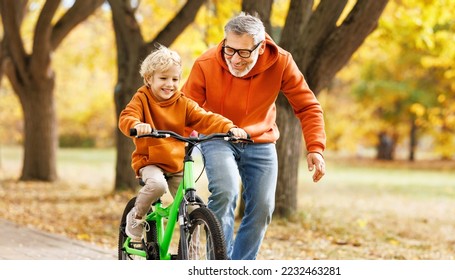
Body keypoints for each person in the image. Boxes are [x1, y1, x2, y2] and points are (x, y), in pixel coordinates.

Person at [181, 12, 326, 260]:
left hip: (260, 139)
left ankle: (241, 267)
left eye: (244, 52)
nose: (235, 59)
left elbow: (307, 106)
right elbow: (184, 110)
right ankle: (219, 266)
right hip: (217, 136)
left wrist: (315, 147)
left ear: (261, 47)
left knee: (262, 208)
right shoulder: (206, 63)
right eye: (230, 50)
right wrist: (166, 148)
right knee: (225, 192)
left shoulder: (280, 62)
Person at [118, 45, 247, 241]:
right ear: (148, 79)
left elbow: (205, 118)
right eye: (163, 78)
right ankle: (136, 216)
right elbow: (127, 117)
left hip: (176, 164)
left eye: (175, 79)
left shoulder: (183, 102)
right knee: (158, 186)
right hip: (150, 161)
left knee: (192, 209)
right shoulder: (142, 98)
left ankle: (191, 257)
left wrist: (229, 127)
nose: (170, 84)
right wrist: (137, 124)